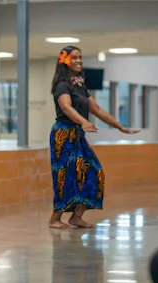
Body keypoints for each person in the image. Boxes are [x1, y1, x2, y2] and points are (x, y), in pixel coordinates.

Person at [48, 46, 140, 229]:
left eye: (81, 57)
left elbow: (96, 109)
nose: (79, 61)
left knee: (94, 172)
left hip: (78, 134)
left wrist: (120, 126)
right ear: (65, 60)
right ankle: (55, 219)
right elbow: (66, 107)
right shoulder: (62, 85)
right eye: (74, 57)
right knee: (65, 176)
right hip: (63, 135)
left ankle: (76, 216)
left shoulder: (80, 85)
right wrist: (83, 121)